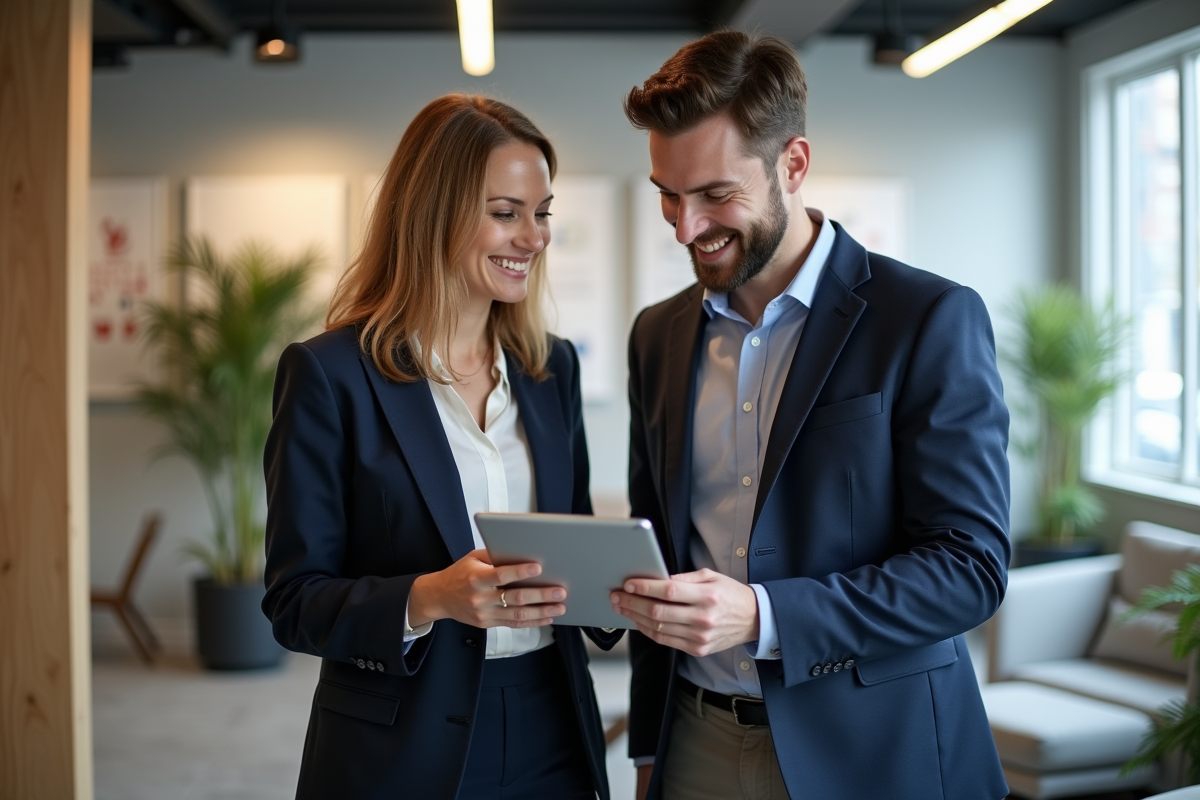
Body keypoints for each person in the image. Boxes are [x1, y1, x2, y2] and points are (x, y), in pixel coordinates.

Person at [610, 31, 1011, 800]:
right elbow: (655, 537)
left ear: (792, 163)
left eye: (715, 194)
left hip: (874, 752)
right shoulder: (656, 334)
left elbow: (970, 569)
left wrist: (764, 615)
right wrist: (647, 750)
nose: (685, 227)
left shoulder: (928, 317)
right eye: (667, 192)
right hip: (691, 740)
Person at [262, 94, 621, 800]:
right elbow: (294, 602)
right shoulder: (331, 374)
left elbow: (567, 540)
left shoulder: (551, 370)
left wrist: (623, 588)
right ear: (435, 212)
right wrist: (431, 597)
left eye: (542, 212)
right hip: (403, 740)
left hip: (554, 720)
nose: (534, 237)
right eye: (505, 212)